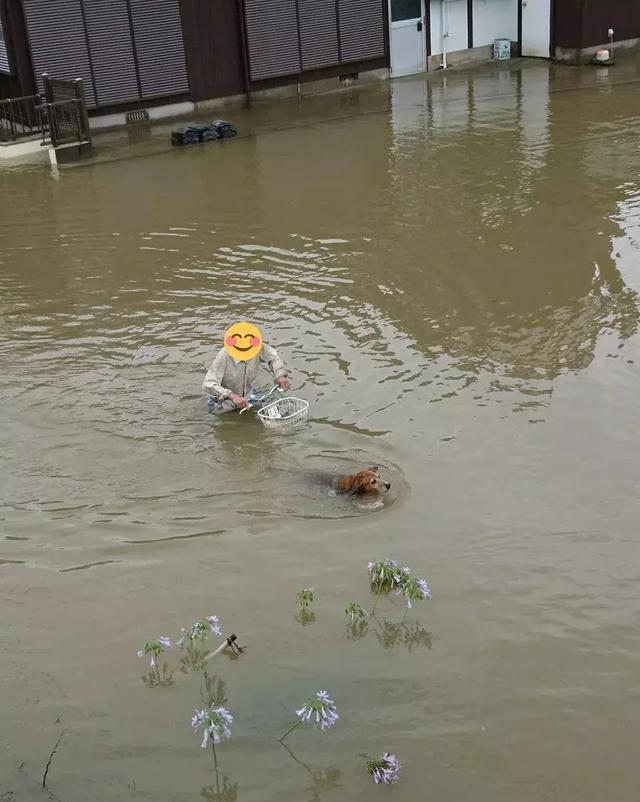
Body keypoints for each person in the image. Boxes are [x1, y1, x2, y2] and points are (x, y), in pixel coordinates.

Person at [203, 326, 290, 415]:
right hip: (224, 403)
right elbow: (208, 384)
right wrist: (232, 396)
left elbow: (273, 357)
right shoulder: (224, 355)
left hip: (248, 397)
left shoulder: (256, 347)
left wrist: (280, 375)